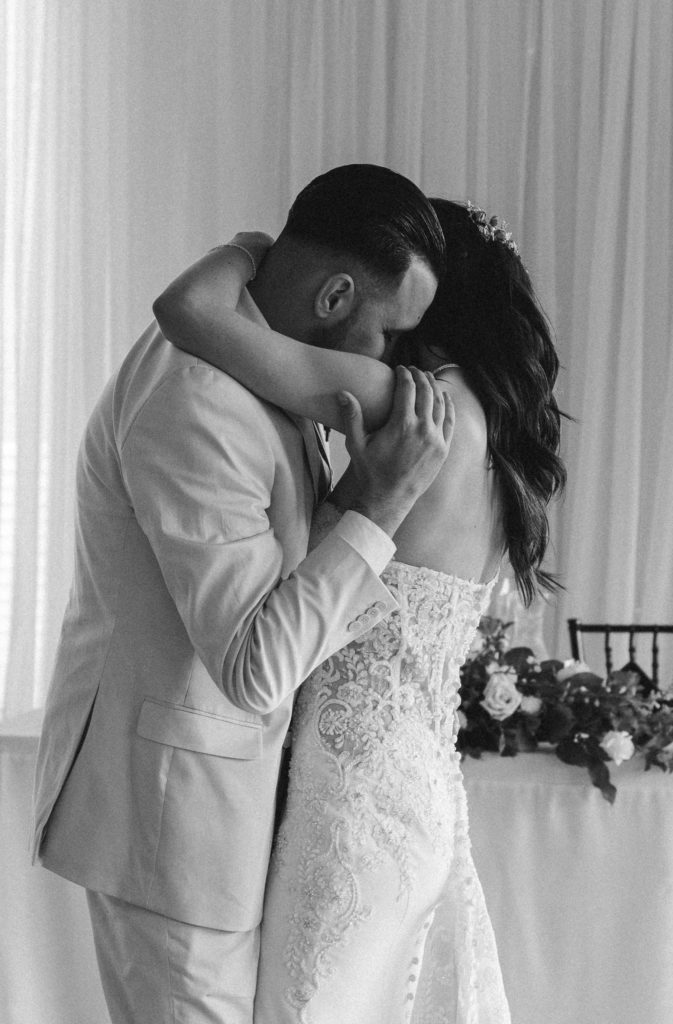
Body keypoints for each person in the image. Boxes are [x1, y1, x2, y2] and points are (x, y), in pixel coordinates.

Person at [31, 164, 452, 1024]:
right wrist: (376, 510)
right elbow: (254, 667)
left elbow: (273, 567)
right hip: (174, 827)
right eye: (391, 332)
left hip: (225, 816)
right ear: (334, 294)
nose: (393, 361)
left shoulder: (243, 346)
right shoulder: (199, 403)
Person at [155, 197, 566, 1023]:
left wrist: (257, 250)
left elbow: (192, 316)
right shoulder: (498, 438)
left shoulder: (410, 400)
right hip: (417, 794)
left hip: (347, 802)